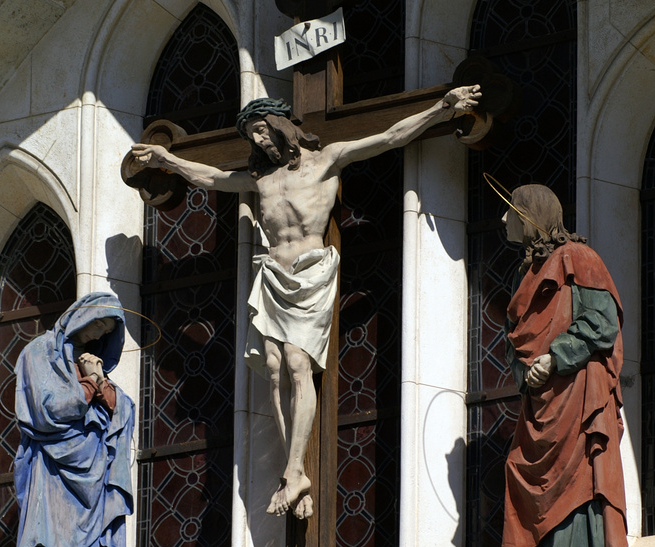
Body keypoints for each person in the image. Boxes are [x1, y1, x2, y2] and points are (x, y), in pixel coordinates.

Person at [130, 86, 481, 519]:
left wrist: (441, 108)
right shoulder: (261, 180)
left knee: (299, 366)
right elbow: (212, 178)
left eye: (261, 130)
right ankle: (293, 470)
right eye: (251, 136)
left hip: (310, 273)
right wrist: (168, 161)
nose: (257, 141)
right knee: (273, 372)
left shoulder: (326, 159)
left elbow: (390, 136)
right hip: (272, 274)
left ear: (279, 126)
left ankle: (296, 470)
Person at [501, 184, 627, 547]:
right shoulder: (526, 276)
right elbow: (517, 348)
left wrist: (557, 356)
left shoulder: (579, 258)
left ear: (530, 215)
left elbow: (603, 322)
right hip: (539, 402)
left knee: (575, 478)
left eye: (510, 212)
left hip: (575, 392)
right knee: (523, 470)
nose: (502, 220)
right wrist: (529, 371)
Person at [14, 292, 135, 547]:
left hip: (93, 492)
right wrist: (89, 385)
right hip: (51, 484)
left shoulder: (97, 374)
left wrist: (104, 390)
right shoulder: (39, 355)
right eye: (95, 325)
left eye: (104, 333)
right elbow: (49, 411)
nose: (95, 337)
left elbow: (122, 412)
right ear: (78, 318)